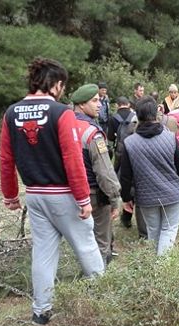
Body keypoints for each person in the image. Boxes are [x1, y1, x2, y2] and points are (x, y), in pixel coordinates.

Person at [0, 57, 105, 325]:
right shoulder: (61, 112)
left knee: (43, 254)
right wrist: (83, 199)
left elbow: (6, 158)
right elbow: (72, 158)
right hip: (64, 194)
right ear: (56, 85)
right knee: (87, 247)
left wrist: (10, 194)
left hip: (34, 194)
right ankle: (105, 301)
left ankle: (41, 311)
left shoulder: (11, 113)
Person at [118, 96, 179, 256]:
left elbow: (125, 176)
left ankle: (154, 266)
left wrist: (126, 198)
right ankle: (161, 267)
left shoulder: (130, 142)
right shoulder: (170, 138)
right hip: (173, 195)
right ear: (157, 113)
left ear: (137, 115)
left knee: (153, 231)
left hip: (146, 198)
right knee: (169, 230)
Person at [72, 84, 121, 263]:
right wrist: (114, 198)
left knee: (81, 239)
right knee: (101, 240)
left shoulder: (63, 126)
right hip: (93, 193)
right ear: (82, 105)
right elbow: (104, 171)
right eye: (94, 101)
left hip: (69, 194)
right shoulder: (91, 133)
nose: (99, 104)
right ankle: (98, 278)